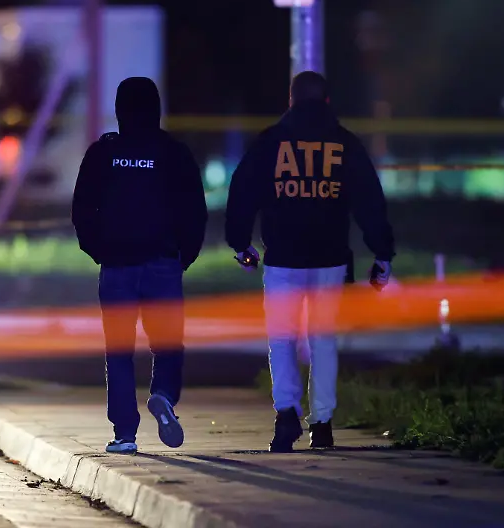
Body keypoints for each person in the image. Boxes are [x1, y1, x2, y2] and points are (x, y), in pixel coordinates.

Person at [224, 71, 394, 453]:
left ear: (291, 100)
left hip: (282, 258)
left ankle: (286, 417)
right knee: (323, 341)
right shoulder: (344, 144)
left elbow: (243, 190)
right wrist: (382, 253)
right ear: (327, 101)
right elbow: (369, 201)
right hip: (330, 259)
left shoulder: (271, 142)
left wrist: (240, 244)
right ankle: (322, 425)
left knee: (281, 340)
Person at [72, 77, 208, 454]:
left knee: (118, 349)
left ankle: (124, 434)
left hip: (116, 266)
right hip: (163, 263)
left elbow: (82, 208)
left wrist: (98, 250)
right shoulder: (173, 152)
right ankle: (163, 393)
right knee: (167, 342)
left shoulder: (103, 153)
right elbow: (194, 209)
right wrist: (185, 255)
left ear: (119, 109)